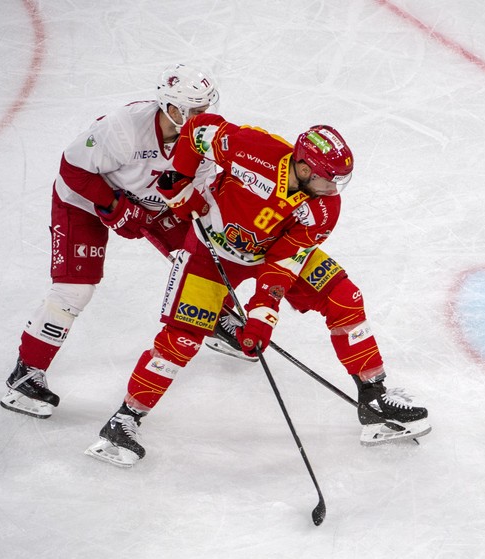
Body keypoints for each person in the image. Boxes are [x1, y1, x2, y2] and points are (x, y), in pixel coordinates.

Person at [84, 115, 430, 467]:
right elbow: (199, 129)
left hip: (268, 253)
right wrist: (180, 184)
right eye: (330, 180)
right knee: (181, 339)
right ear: (306, 168)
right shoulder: (254, 149)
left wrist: (262, 316)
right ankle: (124, 419)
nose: (335, 189)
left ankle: (373, 396)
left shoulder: (324, 209)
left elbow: (283, 262)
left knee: (344, 296)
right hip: (209, 251)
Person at [0, 64, 248, 420]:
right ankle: (25, 374)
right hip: (83, 201)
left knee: (203, 258)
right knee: (75, 291)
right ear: (168, 107)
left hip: (153, 201)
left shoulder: (205, 138)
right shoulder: (122, 127)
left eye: (203, 110)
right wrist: (116, 206)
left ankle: (215, 319)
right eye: (189, 111)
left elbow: (199, 190)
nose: (198, 118)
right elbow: (73, 169)